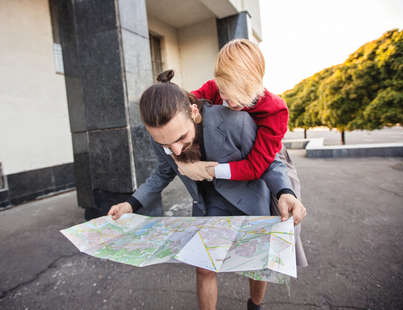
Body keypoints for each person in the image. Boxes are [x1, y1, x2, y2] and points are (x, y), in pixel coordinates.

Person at [108, 71, 307, 310]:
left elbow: (269, 161)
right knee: (204, 267)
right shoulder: (161, 134)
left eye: (182, 138)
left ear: (193, 112)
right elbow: (163, 172)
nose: (177, 151)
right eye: (166, 145)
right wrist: (130, 204)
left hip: (249, 198)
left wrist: (285, 192)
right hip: (208, 203)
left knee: (257, 264)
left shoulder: (236, 121)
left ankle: (255, 305)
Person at [176, 39, 291, 189]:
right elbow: (179, 108)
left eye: (240, 94)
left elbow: (255, 167)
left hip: (269, 163)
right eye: (224, 91)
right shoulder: (213, 87)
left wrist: (204, 170)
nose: (232, 103)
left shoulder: (275, 110)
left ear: (256, 83)